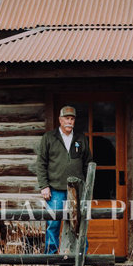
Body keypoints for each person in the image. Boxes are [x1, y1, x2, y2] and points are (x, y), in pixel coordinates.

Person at [35, 105, 92, 254]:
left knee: (79, 224)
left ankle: (81, 257)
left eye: (72, 119)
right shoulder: (49, 138)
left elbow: (88, 164)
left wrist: (86, 186)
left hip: (77, 190)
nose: (69, 121)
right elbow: (41, 163)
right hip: (55, 190)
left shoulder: (81, 138)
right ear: (60, 120)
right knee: (53, 224)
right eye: (66, 118)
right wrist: (44, 186)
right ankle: (51, 258)